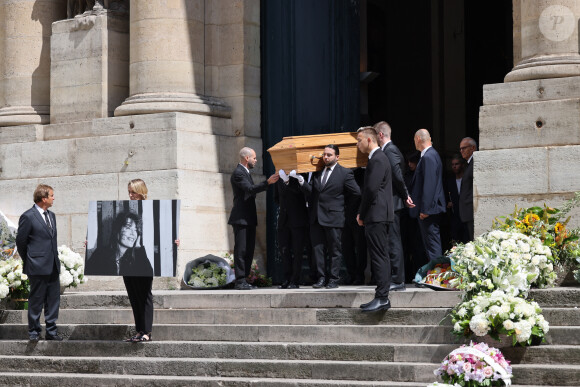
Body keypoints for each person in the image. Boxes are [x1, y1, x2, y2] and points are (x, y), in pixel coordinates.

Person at [295, 144, 361, 289]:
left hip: (334, 217)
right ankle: (321, 278)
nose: (325, 157)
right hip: (316, 217)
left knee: (334, 250)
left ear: (337, 157)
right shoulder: (318, 172)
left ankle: (333, 279)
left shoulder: (344, 173)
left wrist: (344, 208)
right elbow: (311, 192)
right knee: (318, 250)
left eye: (329, 155)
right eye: (324, 154)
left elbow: (356, 193)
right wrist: (301, 181)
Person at [228, 147, 279, 290]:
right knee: (241, 250)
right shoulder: (238, 173)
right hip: (240, 218)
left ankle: (244, 279)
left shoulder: (246, 172)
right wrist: (267, 183)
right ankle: (239, 281)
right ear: (247, 158)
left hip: (249, 218)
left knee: (249, 249)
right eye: (254, 158)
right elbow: (250, 189)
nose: (256, 161)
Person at [16, 184, 62, 341]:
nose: (54, 198)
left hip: (53, 265)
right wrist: (30, 260)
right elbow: (21, 242)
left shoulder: (52, 215)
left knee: (53, 300)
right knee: (36, 300)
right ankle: (34, 332)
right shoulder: (28, 216)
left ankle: (51, 331)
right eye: (52, 195)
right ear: (44, 198)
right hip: (36, 266)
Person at [356, 127, 393, 312]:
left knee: (379, 256)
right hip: (377, 214)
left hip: (376, 214)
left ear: (370, 140)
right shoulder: (376, 158)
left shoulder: (378, 159)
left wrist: (361, 214)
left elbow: (371, 190)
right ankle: (381, 296)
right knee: (379, 255)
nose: (357, 144)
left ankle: (382, 297)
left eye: (359, 140)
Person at [374, 121, 414, 291]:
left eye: (375, 135)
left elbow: (398, 177)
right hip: (389, 204)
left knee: (393, 242)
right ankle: (393, 278)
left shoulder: (390, 151)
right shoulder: (386, 151)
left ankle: (398, 280)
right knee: (389, 242)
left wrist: (406, 196)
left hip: (394, 204)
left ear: (380, 135)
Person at [409, 129, 447, 262]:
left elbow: (429, 185)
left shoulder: (428, 156)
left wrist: (425, 210)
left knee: (432, 244)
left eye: (414, 140)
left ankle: (437, 276)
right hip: (431, 208)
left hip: (429, 210)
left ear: (418, 139)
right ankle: (434, 274)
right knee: (430, 244)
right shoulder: (430, 155)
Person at [274, 170, 308, 289]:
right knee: (284, 251)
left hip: (298, 219)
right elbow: (276, 198)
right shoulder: (279, 177)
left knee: (297, 252)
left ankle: (295, 280)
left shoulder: (299, 175)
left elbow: (301, 193)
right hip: (283, 220)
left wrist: (288, 181)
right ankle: (286, 279)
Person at [445, 154, 469, 243]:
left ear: (462, 165)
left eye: (457, 164)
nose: (454, 166)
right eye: (452, 164)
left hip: (466, 216)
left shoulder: (467, 179)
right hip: (455, 217)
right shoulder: (450, 181)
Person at [459, 137, 477, 241]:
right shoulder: (469, 164)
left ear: (473, 148)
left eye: (464, 148)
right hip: (466, 212)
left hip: (471, 211)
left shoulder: (475, 163)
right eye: (460, 149)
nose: (461, 151)